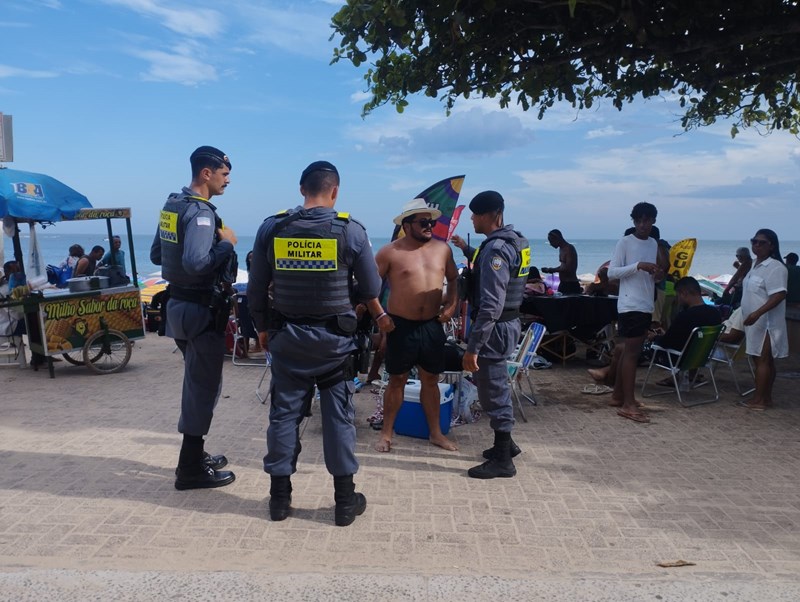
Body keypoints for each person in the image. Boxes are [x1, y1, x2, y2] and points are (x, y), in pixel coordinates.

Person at [247, 160, 392, 526]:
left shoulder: (272, 228)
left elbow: (255, 290)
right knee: (339, 420)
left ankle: (279, 500)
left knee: (283, 417)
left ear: (301, 190)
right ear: (335, 191)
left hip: (287, 342)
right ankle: (344, 502)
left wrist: (262, 328)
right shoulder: (351, 231)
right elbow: (373, 289)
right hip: (334, 346)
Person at [150, 145, 239, 490]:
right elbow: (197, 263)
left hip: (177, 309)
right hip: (201, 311)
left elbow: (158, 253)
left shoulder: (172, 206)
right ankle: (189, 468)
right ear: (207, 173)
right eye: (225, 174)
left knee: (196, 383)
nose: (227, 180)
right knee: (204, 387)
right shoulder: (202, 214)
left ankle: (194, 453)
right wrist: (227, 243)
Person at [372, 198, 459, 453]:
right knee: (397, 379)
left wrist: (452, 306)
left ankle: (435, 433)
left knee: (431, 379)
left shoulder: (443, 249)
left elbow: (454, 279)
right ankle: (386, 433)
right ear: (407, 225)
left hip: (432, 325)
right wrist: (380, 316)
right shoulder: (390, 252)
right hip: (400, 325)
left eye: (431, 222)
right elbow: (370, 288)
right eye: (423, 222)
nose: (429, 226)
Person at [452, 191, 529, 479]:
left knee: (493, 390)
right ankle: (506, 445)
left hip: (494, 329)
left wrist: (473, 347)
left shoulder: (496, 249)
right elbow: (497, 268)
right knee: (494, 386)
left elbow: (491, 305)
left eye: (475, 214)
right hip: (508, 323)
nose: (471, 218)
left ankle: (503, 459)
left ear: (490, 215)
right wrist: (466, 250)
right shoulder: (514, 241)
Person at [588, 277, 721, 386]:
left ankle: (609, 379)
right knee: (625, 348)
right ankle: (606, 375)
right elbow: (682, 337)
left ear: (684, 293)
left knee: (623, 348)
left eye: (678, 296)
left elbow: (666, 342)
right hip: (697, 357)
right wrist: (663, 335)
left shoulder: (686, 316)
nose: (678, 300)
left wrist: (654, 337)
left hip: (674, 357)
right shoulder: (714, 313)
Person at [606, 202, 662, 423]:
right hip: (630, 305)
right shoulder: (625, 242)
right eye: (638, 221)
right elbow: (611, 273)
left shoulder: (653, 243)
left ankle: (620, 396)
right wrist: (638, 266)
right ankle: (628, 403)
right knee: (631, 354)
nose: (642, 225)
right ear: (634, 221)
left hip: (645, 303)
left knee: (629, 351)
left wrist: (656, 273)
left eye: (646, 220)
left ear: (653, 221)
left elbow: (652, 275)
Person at [741, 229, 788, 411]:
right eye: (754, 241)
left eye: (762, 243)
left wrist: (757, 313)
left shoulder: (775, 267)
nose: (756, 245)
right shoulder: (754, 265)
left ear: (772, 246)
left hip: (766, 322)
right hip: (753, 322)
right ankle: (765, 397)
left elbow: (779, 295)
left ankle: (760, 399)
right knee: (759, 359)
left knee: (763, 360)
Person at [541, 229, 581, 295]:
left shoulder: (569, 248)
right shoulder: (561, 249)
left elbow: (568, 268)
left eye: (551, 241)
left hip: (570, 284)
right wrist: (550, 269)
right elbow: (563, 266)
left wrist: (550, 270)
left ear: (557, 239)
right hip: (563, 283)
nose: (551, 244)